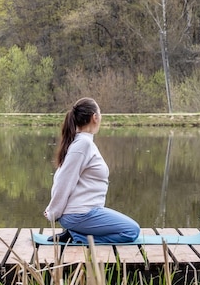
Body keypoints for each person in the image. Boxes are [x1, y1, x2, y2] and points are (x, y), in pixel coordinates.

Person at [43, 97, 140, 244]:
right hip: (79, 214)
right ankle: (77, 237)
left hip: (85, 213)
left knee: (130, 229)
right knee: (131, 231)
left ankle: (75, 233)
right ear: (95, 117)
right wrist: (53, 212)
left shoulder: (83, 142)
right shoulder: (82, 144)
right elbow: (63, 180)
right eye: (100, 114)